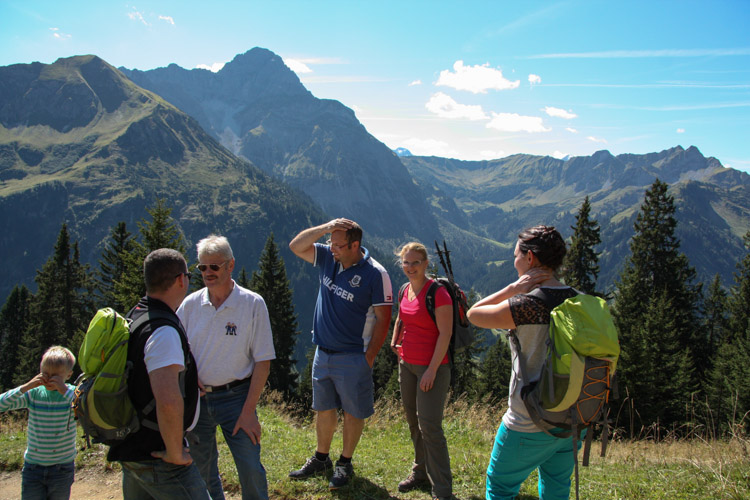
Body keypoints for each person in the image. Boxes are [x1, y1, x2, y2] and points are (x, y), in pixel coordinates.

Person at [466, 226, 581, 500]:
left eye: (516, 255)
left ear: (530, 259)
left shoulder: (527, 305)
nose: (513, 260)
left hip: (529, 418)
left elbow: (474, 313)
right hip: (572, 417)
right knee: (556, 487)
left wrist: (513, 288)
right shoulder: (579, 299)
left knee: (501, 487)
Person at [288, 218, 393, 489]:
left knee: (353, 412)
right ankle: (321, 458)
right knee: (324, 408)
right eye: (330, 243)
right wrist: (326, 227)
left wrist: (369, 357)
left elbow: (384, 319)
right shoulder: (327, 257)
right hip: (323, 351)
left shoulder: (375, 274)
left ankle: (345, 462)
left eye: (338, 245)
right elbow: (295, 246)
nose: (331, 248)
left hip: (353, 355)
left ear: (355, 245)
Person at [177, 235, 276, 500]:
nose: (207, 273)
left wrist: (249, 411)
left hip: (237, 399)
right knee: (202, 470)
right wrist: (188, 374)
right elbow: (177, 348)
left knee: (250, 468)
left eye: (214, 267)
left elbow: (263, 361)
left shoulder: (252, 304)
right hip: (198, 401)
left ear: (230, 265)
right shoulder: (189, 305)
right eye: (202, 267)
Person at [107, 248, 208, 500]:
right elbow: (168, 400)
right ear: (181, 280)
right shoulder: (162, 331)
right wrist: (174, 452)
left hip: (133, 447)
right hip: (159, 455)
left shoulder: (136, 316)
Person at [390, 242, 454, 500]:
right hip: (407, 365)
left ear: (426, 264)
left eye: (415, 262)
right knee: (414, 421)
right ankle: (420, 471)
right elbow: (401, 318)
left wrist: (431, 370)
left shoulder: (438, 293)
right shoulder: (405, 289)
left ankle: (442, 489)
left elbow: (446, 334)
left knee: (430, 426)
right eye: (406, 262)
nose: (410, 267)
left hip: (433, 369)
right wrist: (395, 342)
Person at [0, 346, 77, 500]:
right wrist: (26, 387)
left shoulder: (73, 395)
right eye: (45, 374)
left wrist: (64, 391)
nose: (49, 379)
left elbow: (87, 409)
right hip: (33, 468)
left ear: (68, 375)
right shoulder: (34, 394)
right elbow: (2, 404)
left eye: (56, 375)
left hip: (62, 468)